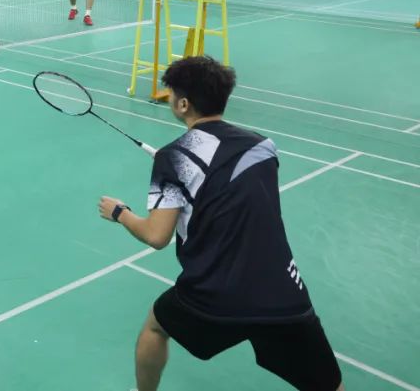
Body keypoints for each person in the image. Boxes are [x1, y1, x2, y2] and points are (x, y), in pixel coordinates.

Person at [97, 55, 343, 391]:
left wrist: (120, 213)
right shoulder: (263, 146)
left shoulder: (174, 157)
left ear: (183, 104)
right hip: (281, 291)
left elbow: (157, 236)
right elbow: (232, 189)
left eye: (172, 94)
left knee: (155, 327)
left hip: (213, 293)